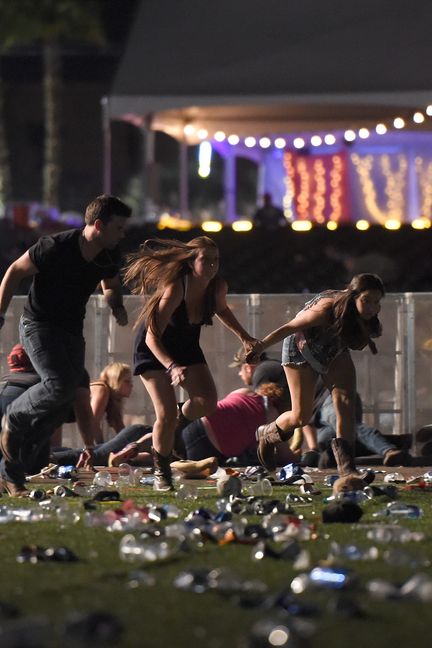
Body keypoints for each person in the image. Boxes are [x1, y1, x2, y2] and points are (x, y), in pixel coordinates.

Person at [0, 194, 131, 496]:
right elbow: (14, 272)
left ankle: (12, 475)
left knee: (64, 402)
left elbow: (110, 285)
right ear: (98, 225)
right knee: (59, 386)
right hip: (39, 326)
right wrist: (1, 312)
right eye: (119, 228)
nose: (123, 234)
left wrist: (116, 304)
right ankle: (14, 417)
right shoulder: (55, 247)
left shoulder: (108, 254)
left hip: (72, 332)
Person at [124, 236, 257, 491]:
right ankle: (162, 470)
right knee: (164, 413)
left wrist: (245, 337)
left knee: (207, 402)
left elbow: (221, 310)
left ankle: (177, 424)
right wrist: (172, 367)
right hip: (155, 349)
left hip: (186, 347)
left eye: (216, 260)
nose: (211, 265)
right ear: (191, 261)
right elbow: (152, 337)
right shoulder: (176, 287)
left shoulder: (217, 286)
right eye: (205, 260)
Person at [247, 273, 385, 492]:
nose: (371, 307)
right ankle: (267, 433)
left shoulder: (364, 316)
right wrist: (259, 347)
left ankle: (347, 469)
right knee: (301, 416)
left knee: (345, 402)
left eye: (377, 302)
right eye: (366, 300)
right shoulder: (326, 309)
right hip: (301, 349)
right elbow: (289, 327)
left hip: (332, 351)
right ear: (353, 296)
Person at [314, 387, 411, 467]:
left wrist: (312, 449)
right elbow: (307, 425)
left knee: (351, 428)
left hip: (332, 397)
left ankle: (388, 450)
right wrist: (313, 449)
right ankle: (401, 441)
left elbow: (301, 418)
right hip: (322, 415)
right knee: (326, 452)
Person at [88, 362, 134, 443]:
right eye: (127, 381)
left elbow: (120, 429)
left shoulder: (113, 398)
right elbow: (92, 422)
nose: (131, 385)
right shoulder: (102, 389)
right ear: (116, 381)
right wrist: (101, 449)